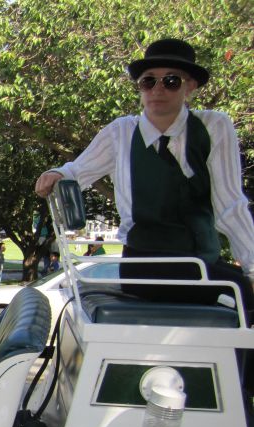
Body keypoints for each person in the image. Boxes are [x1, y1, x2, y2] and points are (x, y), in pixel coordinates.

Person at [34, 38, 254, 321]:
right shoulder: (122, 132)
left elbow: (230, 205)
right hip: (145, 261)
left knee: (239, 283)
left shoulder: (213, 127)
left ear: (190, 87)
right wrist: (57, 174)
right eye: (148, 81)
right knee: (238, 289)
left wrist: (251, 266)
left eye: (171, 81)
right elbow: (77, 171)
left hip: (200, 261)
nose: (158, 89)